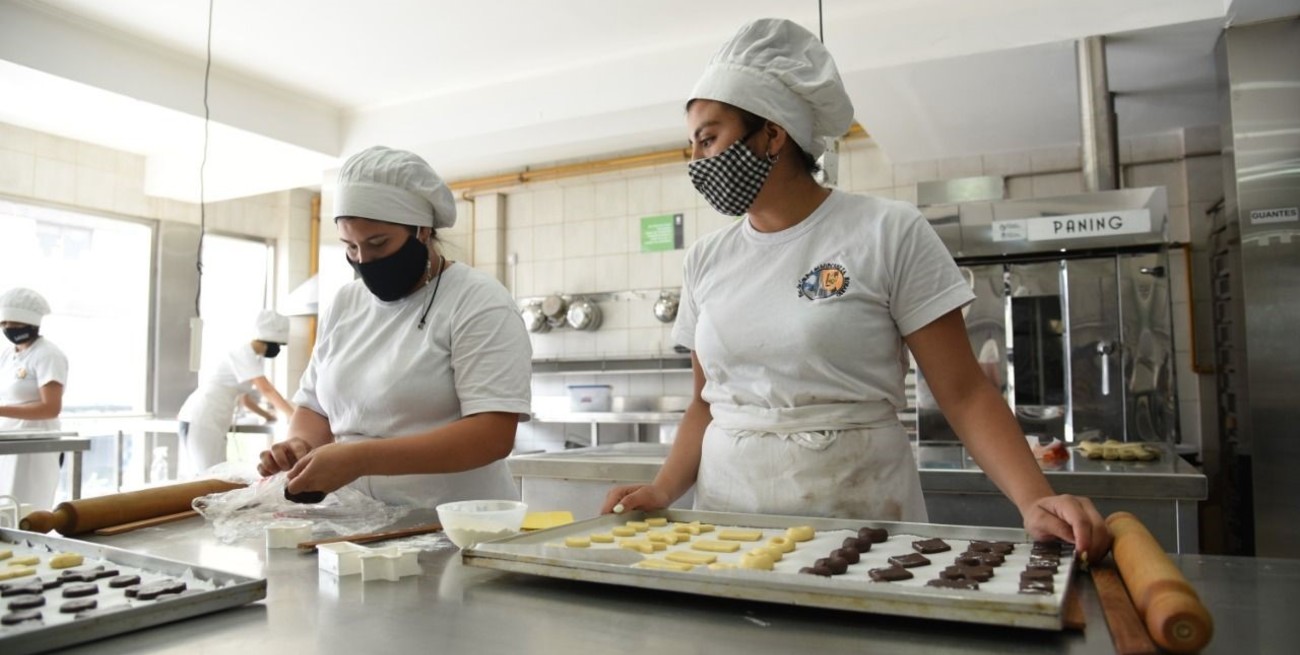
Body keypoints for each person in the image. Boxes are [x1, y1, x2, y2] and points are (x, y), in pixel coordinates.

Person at [600, 18, 1111, 561]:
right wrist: (662, 488)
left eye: (709, 139)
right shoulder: (707, 258)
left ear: (772, 134)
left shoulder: (886, 231)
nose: (699, 162)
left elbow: (964, 392)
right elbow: (705, 404)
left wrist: (1034, 500)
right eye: (692, 146)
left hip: (858, 505)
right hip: (731, 517)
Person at [256, 146, 532, 508]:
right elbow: (315, 408)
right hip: (355, 522)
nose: (364, 260)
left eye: (378, 243)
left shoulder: (477, 300)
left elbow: (491, 435)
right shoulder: (345, 303)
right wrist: (300, 446)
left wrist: (360, 458)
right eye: (351, 247)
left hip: (452, 526)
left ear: (421, 230)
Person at [177, 310, 295, 477]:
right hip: (202, 419)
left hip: (211, 421)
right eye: (280, 345)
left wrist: (268, 416)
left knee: (216, 475)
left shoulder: (253, 358)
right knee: (207, 477)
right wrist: (294, 414)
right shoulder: (243, 353)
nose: (279, 349)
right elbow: (266, 388)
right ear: (272, 340)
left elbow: (245, 399)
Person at [0, 288, 69, 508]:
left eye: (15, 324)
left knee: (27, 510)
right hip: (10, 439)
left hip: (36, 445)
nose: (9, 329)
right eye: (4, 324)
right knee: (6, 508)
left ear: (31, 324)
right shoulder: (8, 355)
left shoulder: (47, 355)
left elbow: (50, 407)